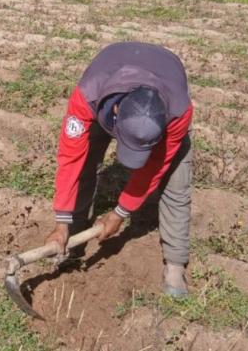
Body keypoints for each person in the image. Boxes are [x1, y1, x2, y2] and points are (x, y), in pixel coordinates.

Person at [43, 42, 194, 297]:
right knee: (85, 164)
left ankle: (175, 265)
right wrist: (61, 223)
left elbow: (153, 169)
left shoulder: (178, 113)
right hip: (106, 84)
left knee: (175, 182)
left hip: (167, 80)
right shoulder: (87, 95)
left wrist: (119, 213)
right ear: (115, 111)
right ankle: (71, 237)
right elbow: (70, 160)